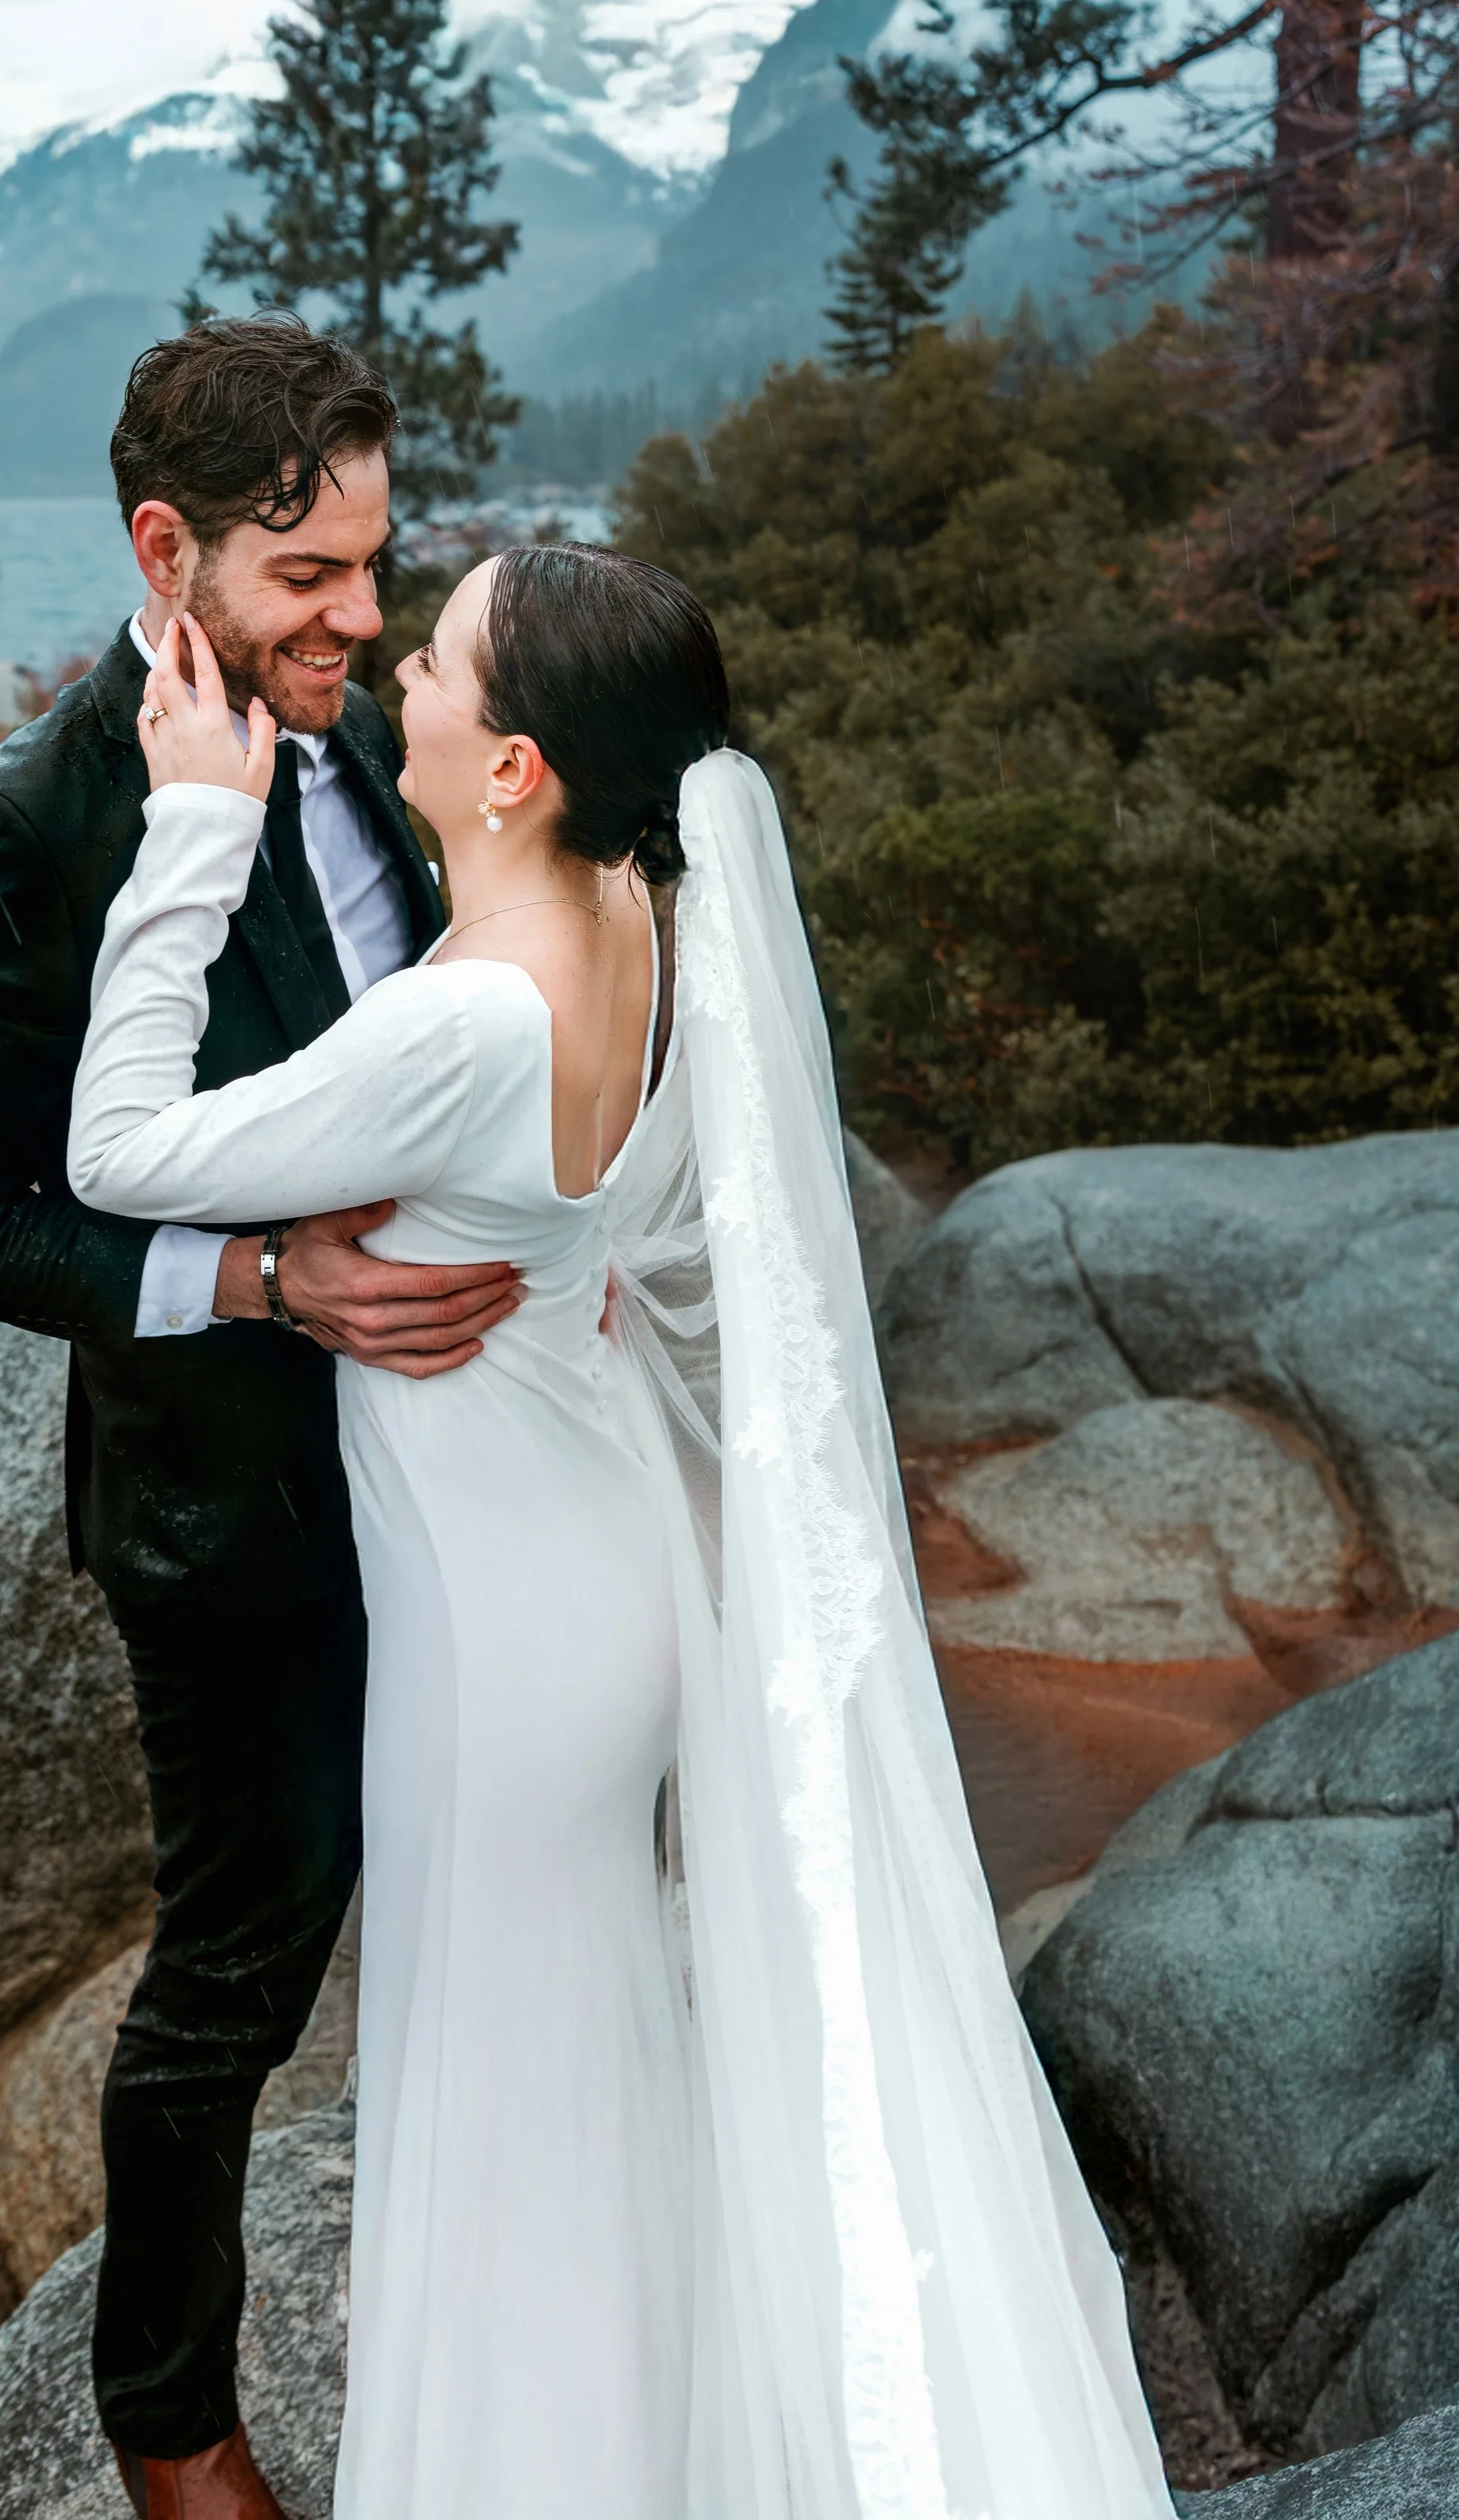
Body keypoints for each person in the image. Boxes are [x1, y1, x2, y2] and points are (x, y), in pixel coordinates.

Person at [66, 542, 1178, 2520]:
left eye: (442, 654)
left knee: (496, 2137)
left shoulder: (464, 1017)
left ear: (510, 767)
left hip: (500, 1648)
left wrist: (185, 831)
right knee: (586, 2095)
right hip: (600, 1579)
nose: (399, 665)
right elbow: (616, 1235)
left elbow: (117, 1148)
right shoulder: (628, 916)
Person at [0, 315, 521, 2520]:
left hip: (451, 1447)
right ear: (167, 548)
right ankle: (170, 2424)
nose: (358, 614)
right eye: (305, 571)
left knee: (464, 1875)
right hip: (223, 1495)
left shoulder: (361, 748)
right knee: (243, 1956)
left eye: (372, 562)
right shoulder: (16, 825)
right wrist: (255, 1275)